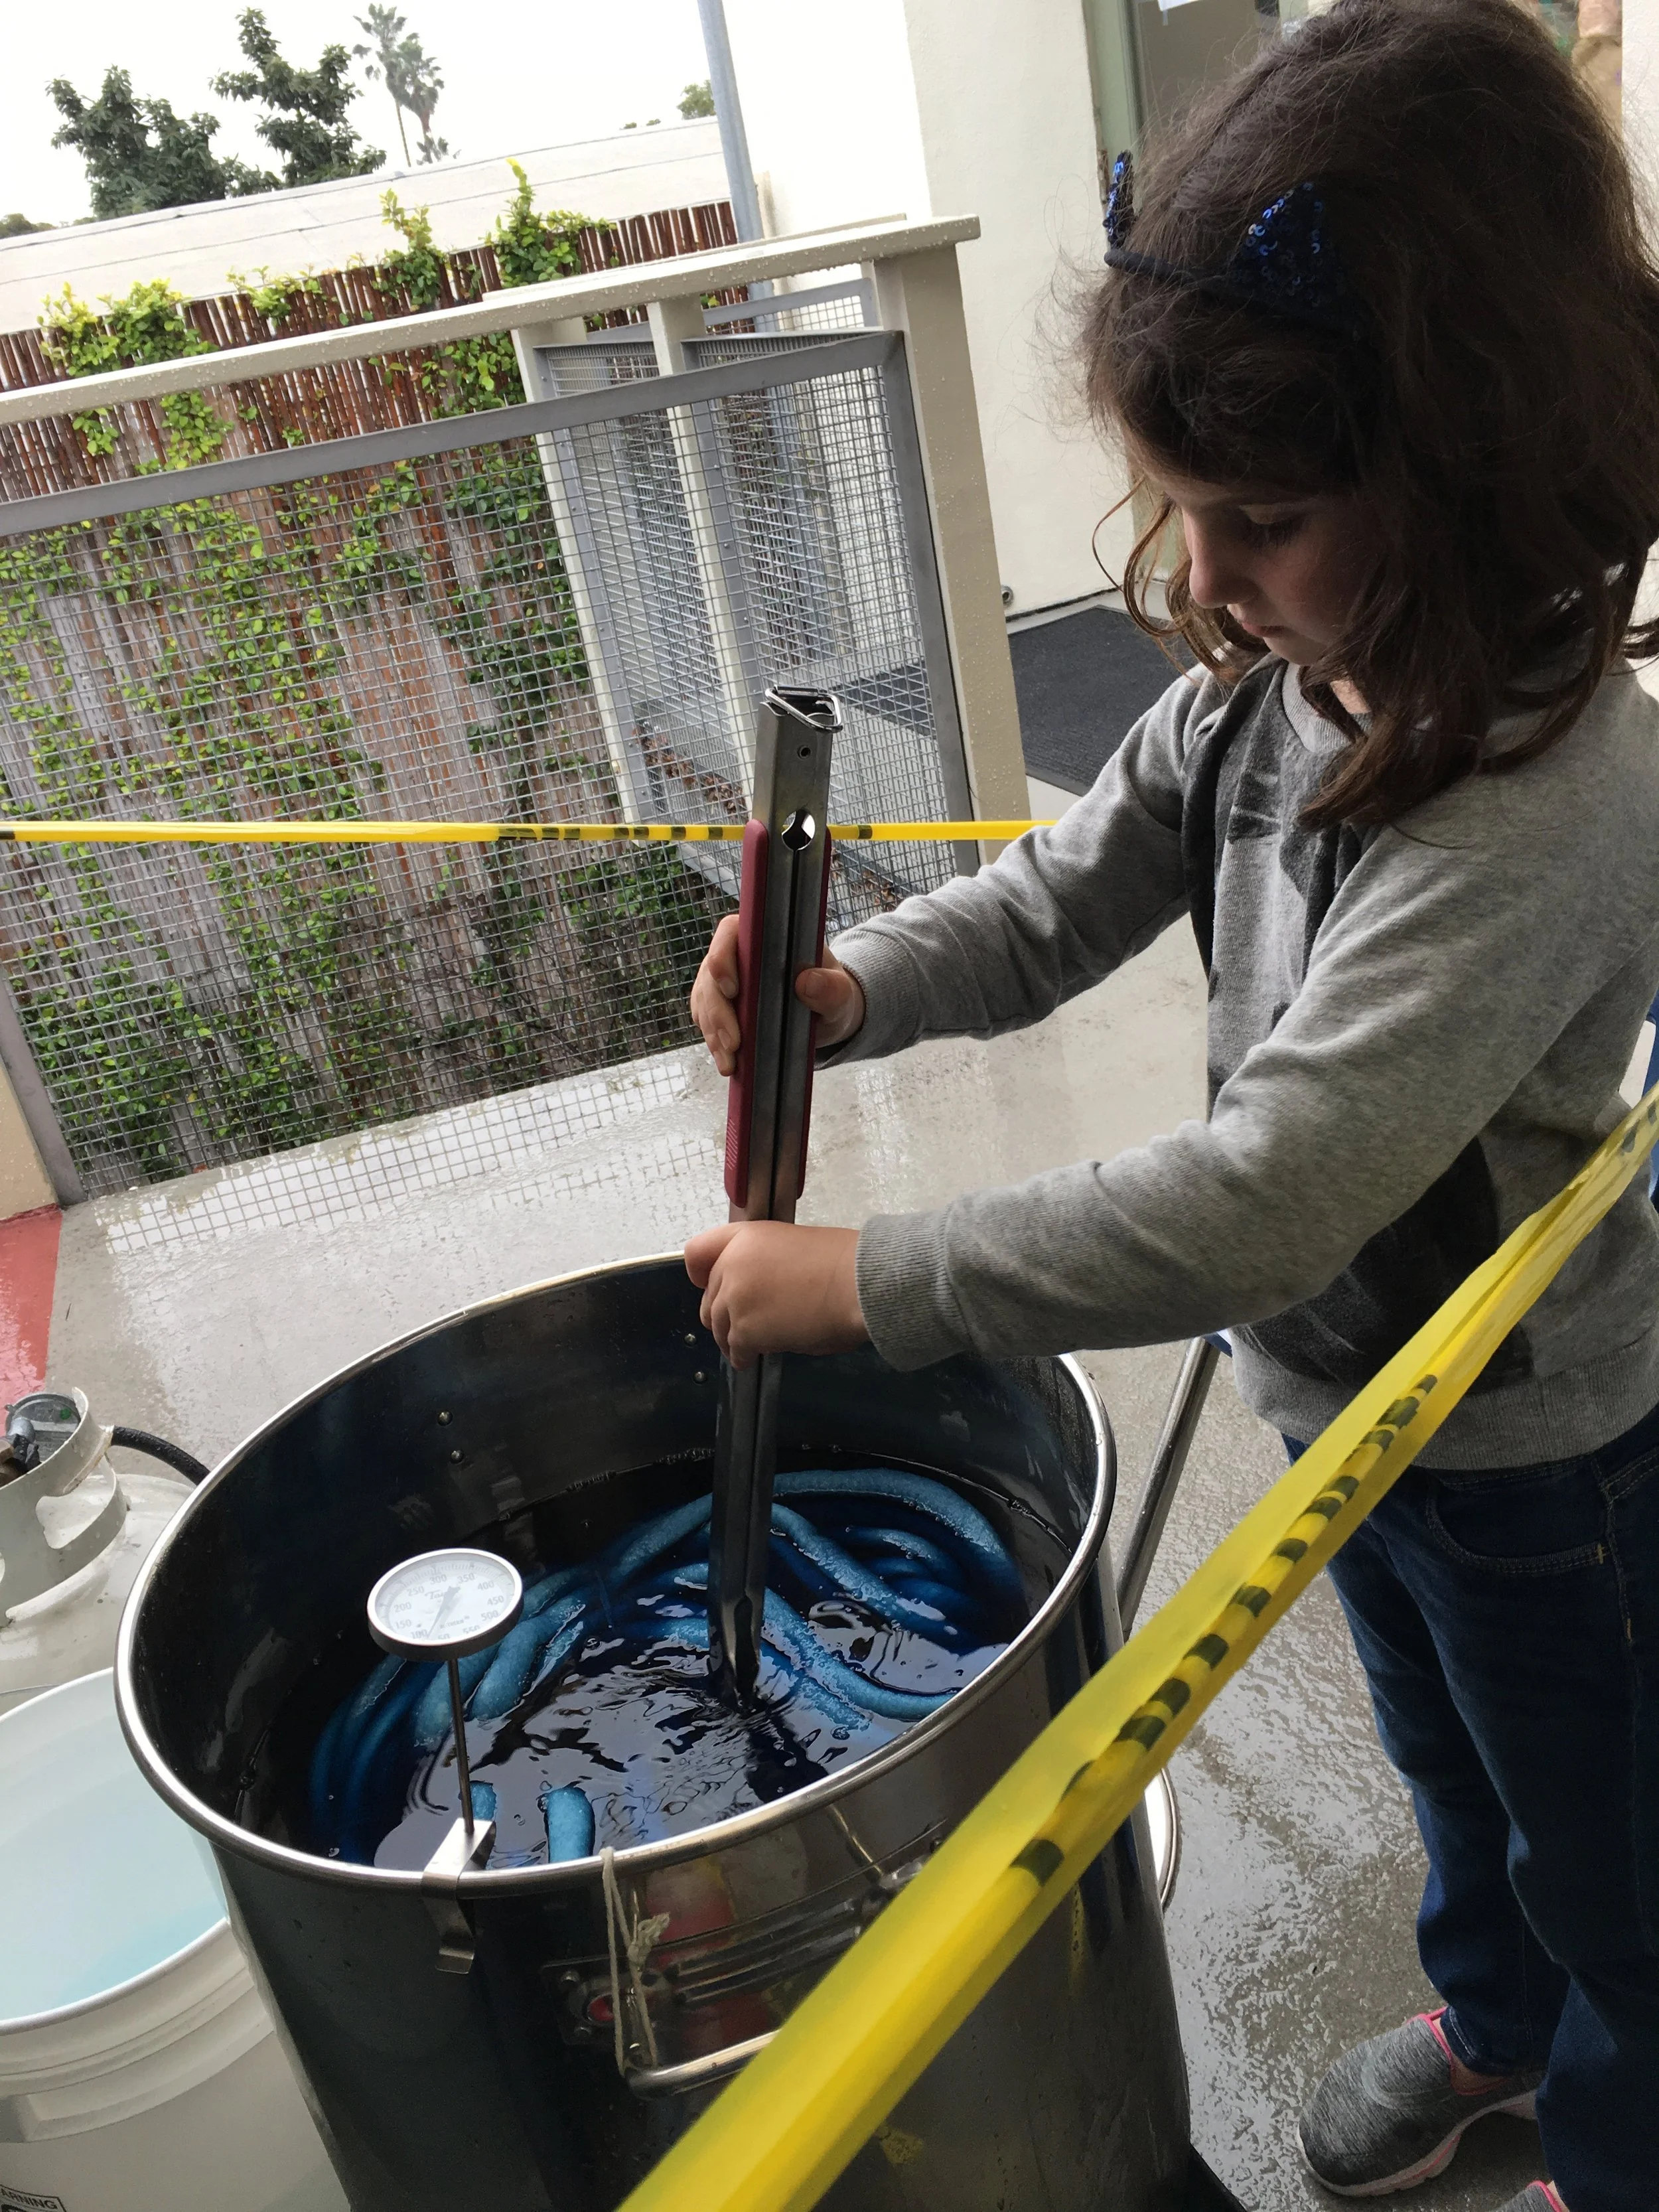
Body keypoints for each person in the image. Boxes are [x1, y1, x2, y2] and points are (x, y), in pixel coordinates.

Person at [685, 4, 1659, 2207]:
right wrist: (845, 992)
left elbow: (1259, 1197)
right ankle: (1497, 2031)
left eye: (1265, 519)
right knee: (1443, 1766)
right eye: (1186, 513)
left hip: (1534, 1457)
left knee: (1616, 1862)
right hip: (1356, 1419)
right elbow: (1057, 895)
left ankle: (1610, 2133)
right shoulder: (1270, 688)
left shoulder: (1540, 797)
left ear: (1483, 479)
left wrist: (872, 1283)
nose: (1201, 580)